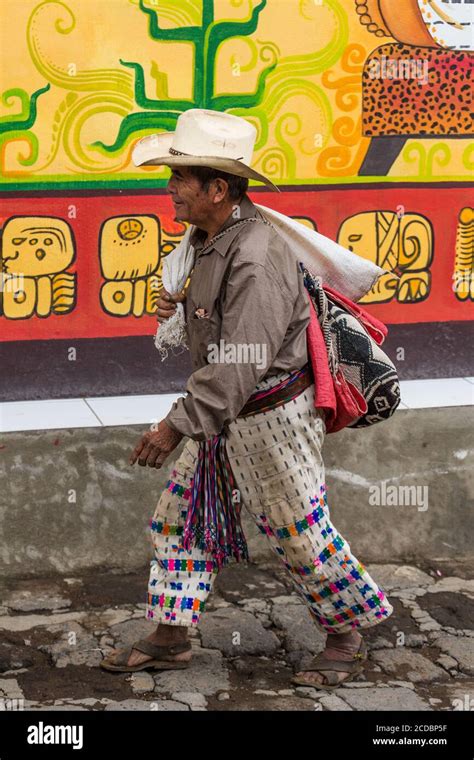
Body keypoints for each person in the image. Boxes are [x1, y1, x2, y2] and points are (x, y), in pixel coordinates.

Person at [100, 109, 393, 689]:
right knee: (181, 519)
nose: (170, 189)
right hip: (226, 415)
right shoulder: (212, 239)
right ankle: (170, 637)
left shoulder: (256, 256)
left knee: (297, 530)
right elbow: (219, 328)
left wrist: (174, 426)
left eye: (181, 179)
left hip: (267, 419)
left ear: (218, 188)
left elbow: (239, 364)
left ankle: (346, 633)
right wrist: (180, 307)